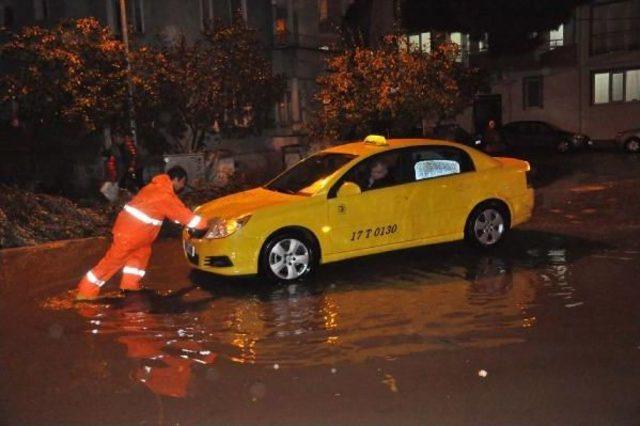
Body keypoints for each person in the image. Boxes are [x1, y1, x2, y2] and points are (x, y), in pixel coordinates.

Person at [76, 166, 208, 300]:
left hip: (137, 236)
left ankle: (130, 286)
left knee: (140, 257)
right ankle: (85, 292)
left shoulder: (154, 188)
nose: (182, 187)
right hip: (130, 236)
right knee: (111, 263)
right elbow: (184, 216)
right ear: (177, 179)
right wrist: (205, 224)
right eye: (182, 183)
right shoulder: (163, 195)